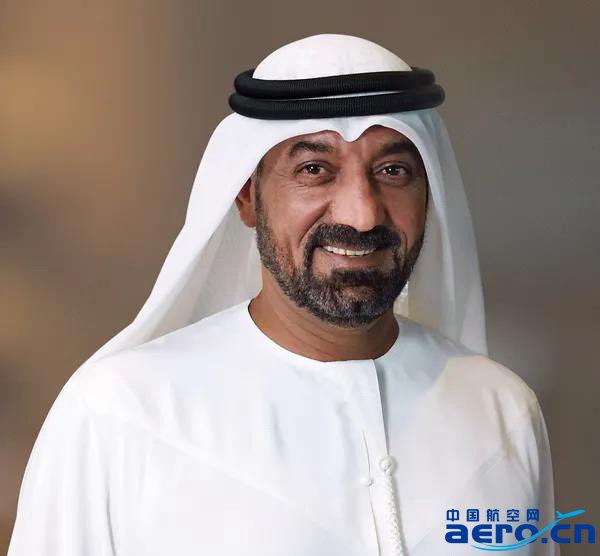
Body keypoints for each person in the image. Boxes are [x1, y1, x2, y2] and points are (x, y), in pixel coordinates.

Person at [7, 34, 558, 555]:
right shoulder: (120, 414)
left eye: (393, 170)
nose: (362, 214)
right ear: (247, 198)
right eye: (314, 170)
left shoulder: (503, 410)